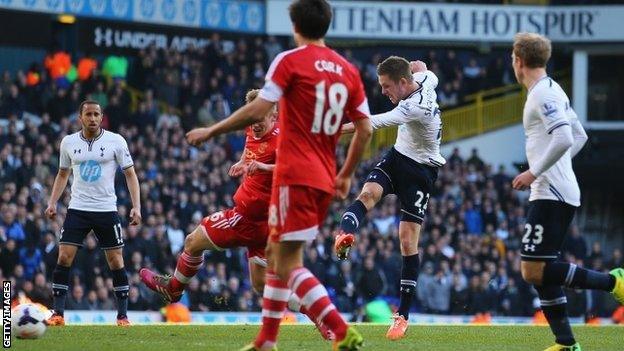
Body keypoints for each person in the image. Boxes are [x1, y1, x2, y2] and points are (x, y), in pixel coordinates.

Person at [185, 1, 372, 349]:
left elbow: (259, 107)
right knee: (276, 254)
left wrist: (212, 131)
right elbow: (364, 128)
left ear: (295, 25)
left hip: (295, 175)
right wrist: (346, 174)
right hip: (323, 178)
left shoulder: (290, 60)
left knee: (286, 263)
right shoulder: (348, 70)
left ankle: (341, 330)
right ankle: (266, 340)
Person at [138, 90, 333, 339]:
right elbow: (250, 147)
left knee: (192, 241)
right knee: (261, 285)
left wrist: (263, 167)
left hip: (246, 218)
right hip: (267, 225)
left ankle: (174, 289)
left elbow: (297, 168)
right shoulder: (252, 128)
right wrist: (243, 162)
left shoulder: (283, 138)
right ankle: (316, 313)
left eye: (260, 118)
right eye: (252, 119)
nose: (255, 124)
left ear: (275, 114)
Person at [510, 32, 623, 351]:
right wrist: (553, 169)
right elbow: (580, 136)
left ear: (519, 61)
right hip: (555, 189)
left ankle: (614, 281)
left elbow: (563, 137)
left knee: (532, 268)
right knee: (538, 271)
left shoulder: (541, 95)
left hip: (552, 193)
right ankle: (566, 342)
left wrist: (535, 172)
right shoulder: (552, 89)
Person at [334, 57, 444, 340]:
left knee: (407, 240)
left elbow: (368, 124)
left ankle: (403, 316)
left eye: (386, 86)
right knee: (368, 193)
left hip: (422, 170)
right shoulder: (422, 80)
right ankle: (344, 234)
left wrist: (328, 131)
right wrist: (417, 66)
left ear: (403, 83)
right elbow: (426, 72)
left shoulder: (413, 107)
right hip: (398, 158)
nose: (383, 91)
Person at [45, 100, 142, 326]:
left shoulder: (116, 141)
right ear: (80, 117)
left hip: (106, 209)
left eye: (96, 114)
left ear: (101, 116)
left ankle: (122, 316)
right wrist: (52, 202)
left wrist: (136, 206)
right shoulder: (68, 142)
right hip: (77, 208)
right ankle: (58, 314)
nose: (92, 118)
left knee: (116, 260)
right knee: (64, 257)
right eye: (88, 114)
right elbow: (62, 174)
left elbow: (131, 174)